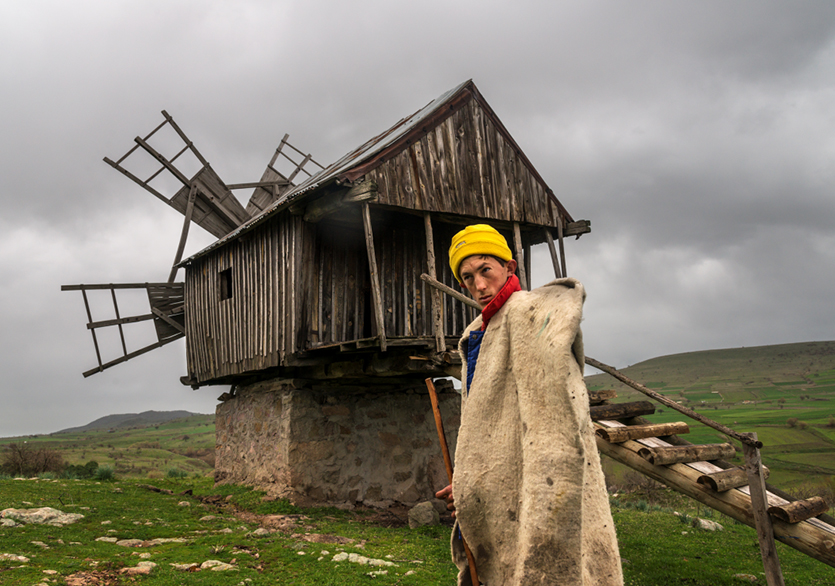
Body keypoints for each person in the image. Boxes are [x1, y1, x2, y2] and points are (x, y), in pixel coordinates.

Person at [435, 224, 622, 586]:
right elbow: (493, 426)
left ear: (510, 266)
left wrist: (549, 508)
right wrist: (470, 484)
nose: (479, 286)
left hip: (541, 491)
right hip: (504, 498)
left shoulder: (529, 316)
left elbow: (555, 424)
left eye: (485, 270)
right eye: (467, 277)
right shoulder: (479, 333)